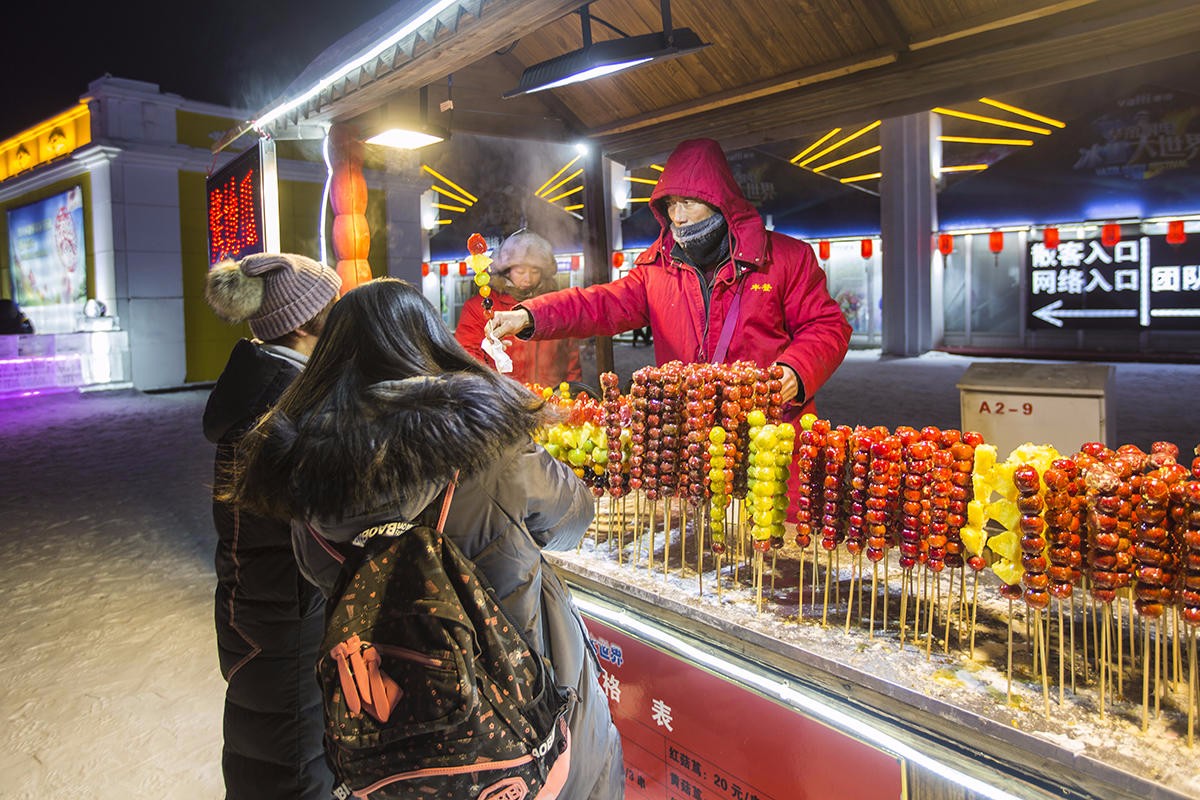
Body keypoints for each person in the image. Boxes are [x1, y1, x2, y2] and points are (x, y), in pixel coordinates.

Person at [224, 278, 624, 800]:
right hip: (530, 709)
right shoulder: (492, 445)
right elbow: (573, 521)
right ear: (432, 343)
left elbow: (319, 572)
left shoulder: (306, 478)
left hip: (396, 737)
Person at [488, 137, 851, 420]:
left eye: (688, 202)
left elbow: (827, 326)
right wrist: (529, 315)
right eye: (670, 204)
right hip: (687, 435)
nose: (677, 216)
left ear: (719, 201)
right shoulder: (656, 269)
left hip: (768, 428)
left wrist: (795, 370)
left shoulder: (785, 258)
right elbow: (598, 303)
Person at [202, 252, 341, 800]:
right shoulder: (287, 405)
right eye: (334, 305)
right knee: (292, 765)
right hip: (287, 613)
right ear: (307, 322)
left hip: (259, 608)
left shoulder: (264, 387)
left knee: (270, 753)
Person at [455, 229, 583, 388]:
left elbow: (571, 359)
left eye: (535, 271)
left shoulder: (555, 307)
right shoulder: (477, 307)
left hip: (552, 401)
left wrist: (571, 393)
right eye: (520, 271)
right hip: (502, 403)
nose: (528, 278)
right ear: (505, 272)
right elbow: (467, 360)